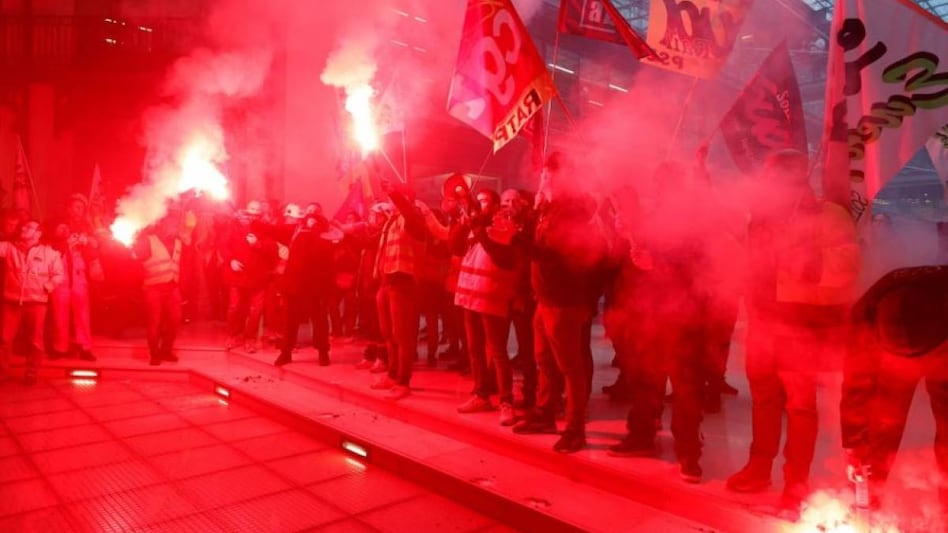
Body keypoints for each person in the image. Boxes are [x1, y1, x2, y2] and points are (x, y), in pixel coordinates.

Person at [726, 149, 860, 511]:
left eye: (776, 176)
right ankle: (759, 466)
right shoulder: (761, 218)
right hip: (762, 323)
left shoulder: (827, 215)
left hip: (801, 325)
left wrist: (808, 263)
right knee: (764, 398)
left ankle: (796, 483)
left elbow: (849, 262)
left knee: (800, 407)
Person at [512, 152, 608, 453]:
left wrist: (524, 242)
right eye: (544, 173)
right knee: (543, 360)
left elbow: (564, 254)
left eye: (548, 173)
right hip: (545, 298)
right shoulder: (549, 208)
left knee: (570, 367)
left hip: (564, 300)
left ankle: (575, 428)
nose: (542, 178)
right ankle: (544, 413)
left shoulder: (573, 210)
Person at [841, 265, 948, 512]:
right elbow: (854, 389)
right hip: (895, 361)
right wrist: (853, 443)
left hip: (942, 355)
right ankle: (867, 501)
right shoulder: (864, 316)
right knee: (882, 424)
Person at [453, 188, 519, 425]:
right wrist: (464, 225)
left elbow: (503, 258)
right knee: (474, 349)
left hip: (491, 296)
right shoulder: (476, 223)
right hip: (470, 295)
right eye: (477, 201)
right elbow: (456, 246)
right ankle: (481, 394)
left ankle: (506, 402)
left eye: (484, 202)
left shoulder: (505, 225)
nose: (480, 205)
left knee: (498, 352)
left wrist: (480, 231)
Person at [371, 179, 428, 401]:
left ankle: (403, 381)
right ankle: (393, 373)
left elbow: (406, 209)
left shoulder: (413, 219)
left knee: (402, 335)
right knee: (389, 334)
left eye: (394, 198)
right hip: (386, 283)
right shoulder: (392, 221)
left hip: (403, 283)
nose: (390, 201)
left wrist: (395, 192)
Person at [0, 220, 64, 384]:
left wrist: (47, 286)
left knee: (35, 340)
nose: (24, 228)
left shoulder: (49, 253)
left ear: (38, 234)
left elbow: (58, 275)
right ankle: (2, 371)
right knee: (4, 338)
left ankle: (32, 371)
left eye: (29, 227)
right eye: (24, 226)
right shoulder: (9, 248)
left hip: (36, 302)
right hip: (12, 300)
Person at [274, 212, 334, 367]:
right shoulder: (297, 234)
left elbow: (326, 263)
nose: (310, 222)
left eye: (313, 221)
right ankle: (286, 352)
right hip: (295, 286)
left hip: (315, 286)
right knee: (290, 321)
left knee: (319, 320)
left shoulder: (323, 238)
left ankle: (323, 351)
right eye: (308, 219)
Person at [222, 200, 278, 352]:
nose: (253, 213)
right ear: (246, 210)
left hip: (258, 277)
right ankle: (232, 336)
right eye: (251, 209)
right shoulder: (234, 225)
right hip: (238, 275)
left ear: (260, 213)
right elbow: (224, 245)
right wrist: (231, 260)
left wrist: (257, 244)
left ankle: (250, 339)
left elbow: (273, 251)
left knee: (255, 310)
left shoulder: (266, 228)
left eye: (257, 210)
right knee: (234, 307)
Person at [133, 213, 185, 366]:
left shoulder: (178, 242)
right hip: (152, 287)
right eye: (173, 225)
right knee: (154, 322)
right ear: (162, 225)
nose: (175, 229)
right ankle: (154, 354)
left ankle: (166, 350)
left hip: (172, 286)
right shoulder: (148, 240)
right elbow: (137, 257)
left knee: (175, 320)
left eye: (177, 225)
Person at [47, 218, 98, 361]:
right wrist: (68, 244)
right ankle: (60, 348)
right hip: (60, 282)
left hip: (78, 281)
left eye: (66, 227)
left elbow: (94, 254)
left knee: (82, 316)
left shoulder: (78, 242)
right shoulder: (51, 244)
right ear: (54, 231)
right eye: (60, 228)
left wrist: (88, 243)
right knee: (60, 316)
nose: (65, 230)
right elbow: (56, 252)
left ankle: (85, 348)